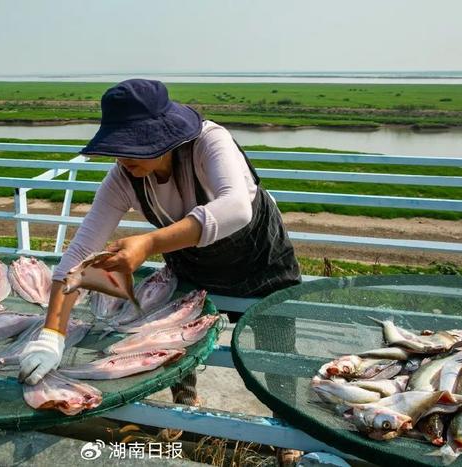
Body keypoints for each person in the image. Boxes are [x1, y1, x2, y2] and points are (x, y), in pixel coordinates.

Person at [18, 79, 302, 411]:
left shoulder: (210, 143)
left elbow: (236, 208)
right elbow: (80, 254)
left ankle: (288, 418)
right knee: (176, 341)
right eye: (118, 147)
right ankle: (186, 401)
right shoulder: (123, 179)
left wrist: (149, 242)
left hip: (262, 265)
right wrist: (52, 335)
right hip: (194, 271)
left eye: (133, 146)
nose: (122, 157)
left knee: (277, 352)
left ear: (164, 134)